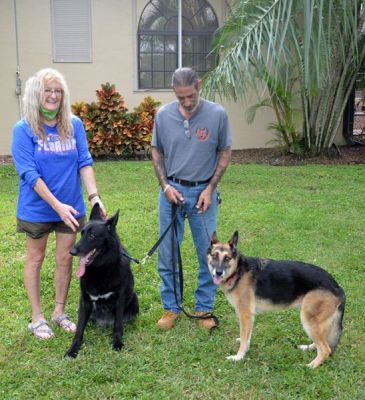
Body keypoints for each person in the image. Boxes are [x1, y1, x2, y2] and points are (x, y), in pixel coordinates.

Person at [11, 68, 106, 340]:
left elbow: (84, 162)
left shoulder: (73, 124)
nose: (53, 95)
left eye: (58, 91)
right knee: (35, 258)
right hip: (37, 207)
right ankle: (37, 317)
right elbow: (29, 174)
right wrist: (57, 206)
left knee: (66, 258)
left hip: (72, 206)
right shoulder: (23, 129)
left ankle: (59, 312)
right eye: (47, 90)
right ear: (36, 94)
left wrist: (94, 196)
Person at [151, 67, 232, 330]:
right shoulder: (163, 115)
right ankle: (171, 308)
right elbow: (157, 151)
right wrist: (165, 186)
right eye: (180, 97)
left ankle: (203, 309)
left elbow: (224, 152)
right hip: (172, 193)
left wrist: (210, 188)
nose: (186, 103)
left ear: (199, 86)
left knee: (209, 253)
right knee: (168, 253)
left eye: (191, 96)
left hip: (203, 195)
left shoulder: (217, 114)